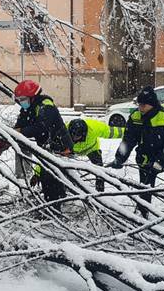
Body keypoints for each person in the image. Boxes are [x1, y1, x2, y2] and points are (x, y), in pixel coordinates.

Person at [107, 86, 164, 227]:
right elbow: (128, 140)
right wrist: (119, 158)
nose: (140, 107)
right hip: (146, 159)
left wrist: (160, 162)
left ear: (152, 104)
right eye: (139, 104)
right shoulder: (135, 117)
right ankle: (143, 219)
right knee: (145, 190)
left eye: (143, 105)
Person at [14, 79, 73, 207]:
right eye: (19, 100)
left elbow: (42, 127)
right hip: (46, 148)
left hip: (60, 147)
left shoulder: (45, 106)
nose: (21, 102)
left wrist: (22, 131)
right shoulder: (28, 108)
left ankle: (54, 209)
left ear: (32, 96)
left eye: (23, 99)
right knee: (50, 178)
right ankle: (56, 202)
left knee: (50, 178)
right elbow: (20, 124)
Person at [66, 118, 124, 192]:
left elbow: (113, 132)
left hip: (91, 149)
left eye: (77, 136)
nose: (74, 138)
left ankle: (99, 192)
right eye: (73, 135)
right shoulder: (64, 130)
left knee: (99, 170)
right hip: (70, 150)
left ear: (84, 133)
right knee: (64, 167)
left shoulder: (95, 128)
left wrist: (128, 132)